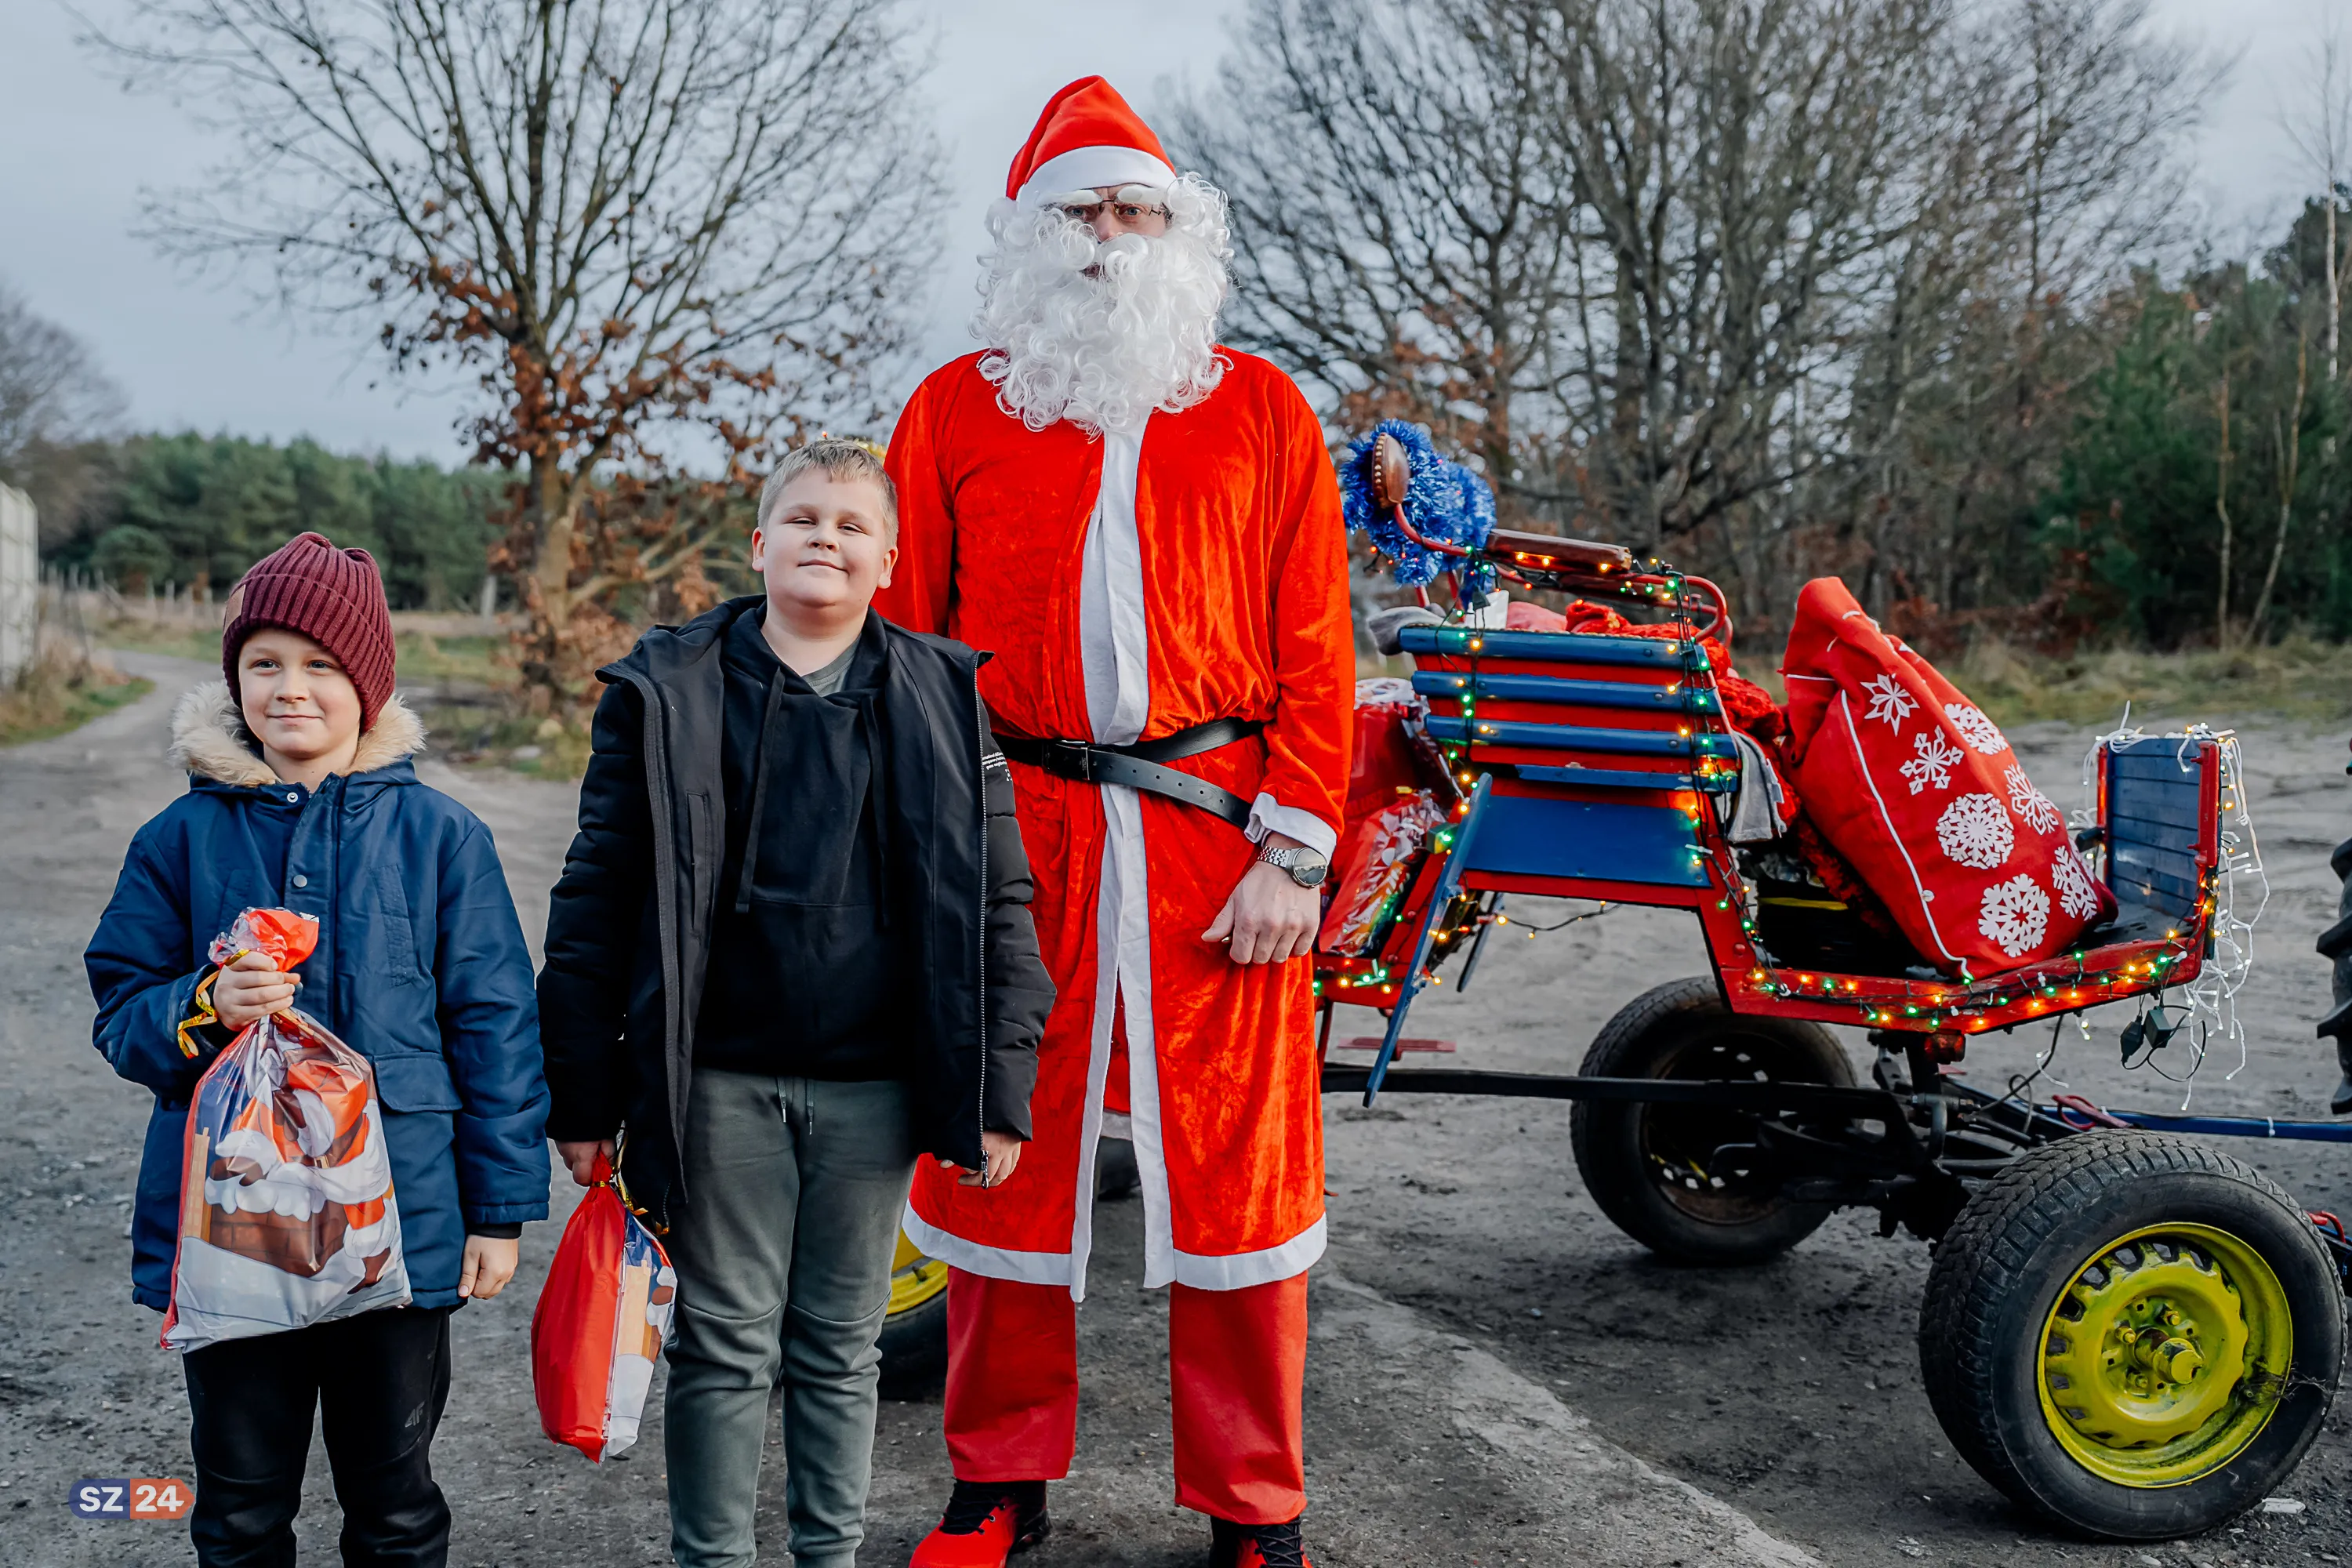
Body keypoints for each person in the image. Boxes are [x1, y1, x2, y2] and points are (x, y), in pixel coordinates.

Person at [884, 77, 1352, 1568]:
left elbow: (1319, 651)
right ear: (1030, 234)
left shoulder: (1265, 409)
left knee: (1237, 1175)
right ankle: (995, 1481)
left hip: (1221, 835)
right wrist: (921, 852)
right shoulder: (959, 408)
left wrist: (1295, 846)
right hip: (1014, 832)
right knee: (998, 1154)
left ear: (1177, 233)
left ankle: (1251, 1506)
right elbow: (905, 647)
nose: (1106, 236)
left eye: (1132, 209)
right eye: (1078, 212)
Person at [537, 438, 1054, 1568]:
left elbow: (999, 903)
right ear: (759, 541)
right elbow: (597, 894)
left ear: (888, 561)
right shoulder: (666, 691)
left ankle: (829, 1556)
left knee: (839, 1345)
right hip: (719, 1079)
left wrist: (998, 1090)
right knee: (724, 1346)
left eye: (854, 525)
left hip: (875, 1087)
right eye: (805, 518)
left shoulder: (942, 696)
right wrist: (581, 1094)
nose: (828, 537)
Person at [85, 530, 550, 1567]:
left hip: (400, 1225)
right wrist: (205, 1003)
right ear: (234, 681)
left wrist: (500, 1211)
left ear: (369, 686)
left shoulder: (442, 839)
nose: (291, 690)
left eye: (322, 666)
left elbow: (495, 1024)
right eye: (265, 664)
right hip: (233, 1234)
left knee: (394, 1500)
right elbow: (121, 1007)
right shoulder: (178, 840)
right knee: (241, 1505)